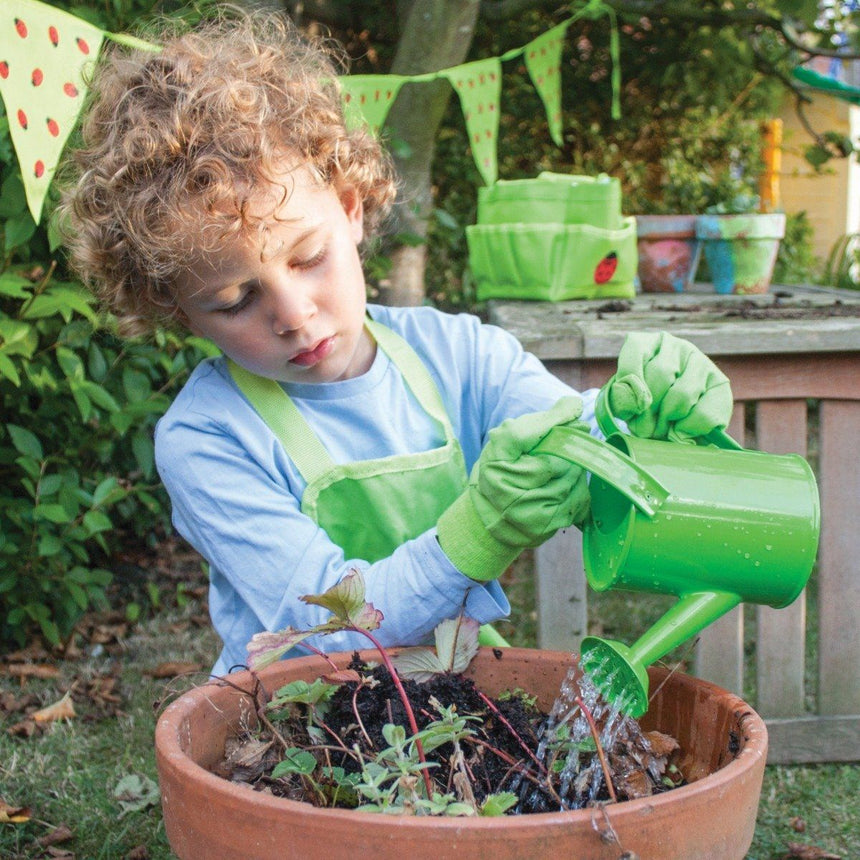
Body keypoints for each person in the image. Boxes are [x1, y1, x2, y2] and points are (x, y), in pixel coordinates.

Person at [59, 11, 733, 677]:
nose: (294, 315)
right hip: (295, 728)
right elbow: (330, 626)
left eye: (308, 257)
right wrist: (475, 534)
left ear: (350, 208)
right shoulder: (208, 438)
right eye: (235, 300)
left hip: (455, 692)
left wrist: (636, 414)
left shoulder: (460, 356)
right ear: (173, 308)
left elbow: (582, 446)